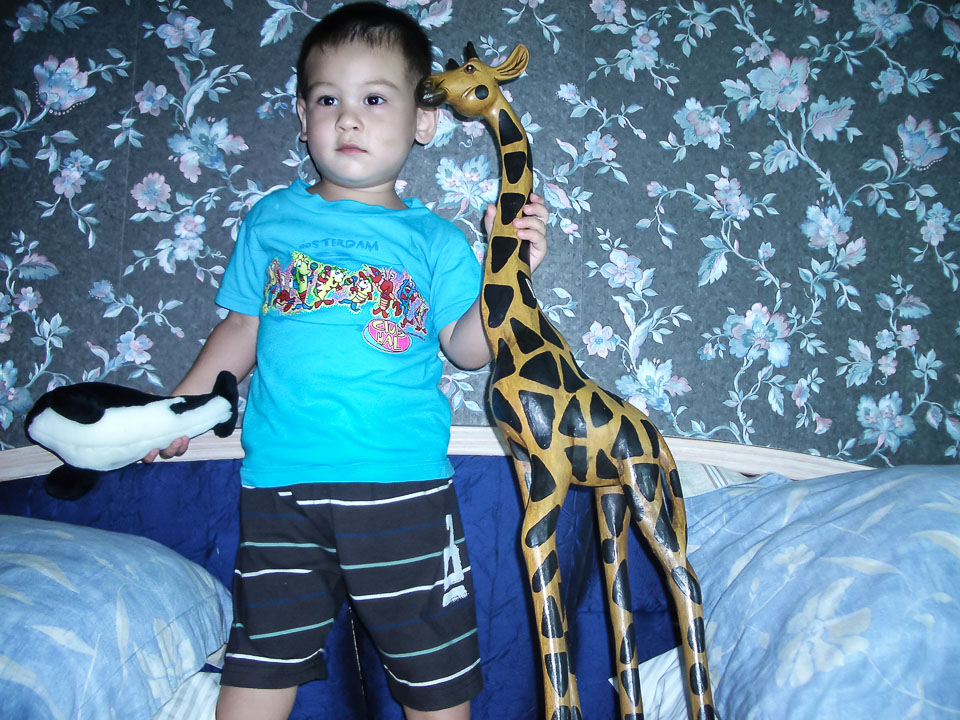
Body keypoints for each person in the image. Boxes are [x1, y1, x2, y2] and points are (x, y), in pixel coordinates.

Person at [144, 3, 549, 719]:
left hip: (404, 490)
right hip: (281, 489)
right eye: (329, 100)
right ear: (303, 118)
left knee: (436, 677)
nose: (350, 119)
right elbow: (242, 328)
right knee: (260, 666)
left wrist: (508, 271)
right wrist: (181, 407)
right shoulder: (271, 219)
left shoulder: (436, 240)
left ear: (423, 121)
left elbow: (467, 348)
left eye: (375, 99)